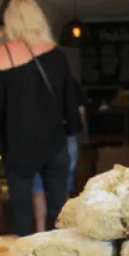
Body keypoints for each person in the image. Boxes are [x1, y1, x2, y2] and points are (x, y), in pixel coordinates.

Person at [0, 0, 81, 236]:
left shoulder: (2, 54)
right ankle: (62, 253)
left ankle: (25, 253)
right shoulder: (56, 54)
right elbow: (70, 100)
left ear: (10, 20)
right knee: (59, 208)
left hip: (19, 144)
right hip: (54, 141)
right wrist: (73, 131)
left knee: (21, 211)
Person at [30, 84, 86, 232]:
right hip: (65, 136)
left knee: (38, 187)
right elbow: (80, 113)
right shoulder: (69, 82)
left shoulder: (28, 80)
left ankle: (40, 231)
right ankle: (63, 228)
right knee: (64, 184)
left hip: (36, 136)